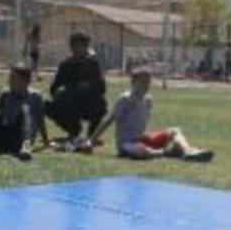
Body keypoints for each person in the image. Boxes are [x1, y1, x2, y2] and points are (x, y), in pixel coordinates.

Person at [84, 68, 213, 161]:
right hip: (127, 143)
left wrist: (158, 138)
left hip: (142, 139)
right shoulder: (125, 99)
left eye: (148, 82)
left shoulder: (148, 100)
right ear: (133, 82)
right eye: (143, 81)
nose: (146, 85)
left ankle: (188, 151)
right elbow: (109, 120)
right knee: (142, 151)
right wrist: (91, 141)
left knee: (174, 131)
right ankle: (167, 152)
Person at [45, 32, 107, 145]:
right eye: (75, 46)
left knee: (101, 103)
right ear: (71, 47)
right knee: (47, 106)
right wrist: (61, 91)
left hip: (87, 103)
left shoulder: (93, 64)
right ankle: (74, 131)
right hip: (70, 104)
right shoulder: (65, 65)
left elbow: (102, 88)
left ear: (86, 47)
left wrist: (89, 86)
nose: (78, 49)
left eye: (82, 46)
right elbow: (54, 89)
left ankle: (91, 136)